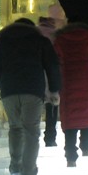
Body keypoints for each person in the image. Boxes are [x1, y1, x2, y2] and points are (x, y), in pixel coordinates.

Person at [0, 17, 61, 175]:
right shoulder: (39, 40)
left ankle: (15, 168)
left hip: (9, 92)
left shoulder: (3, 42)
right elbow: (52, 65)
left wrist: (3, 84)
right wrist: (54, 89)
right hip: (32, 90)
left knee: (15, 128)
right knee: (31, 132)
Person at [54, 17, 88, 166]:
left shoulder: (60, 39)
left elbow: (57, 59)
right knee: (87, 113)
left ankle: (71, 157)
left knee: (70, 116)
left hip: (68, 78)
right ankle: (86, 148)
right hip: (87, 77)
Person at [37, 15, 61, 147]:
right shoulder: (56, 35)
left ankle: (32, 138)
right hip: (52, 74)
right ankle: (50, 138)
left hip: (36, 75)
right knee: (52, 107)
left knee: (34, 108)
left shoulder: (34, 35)